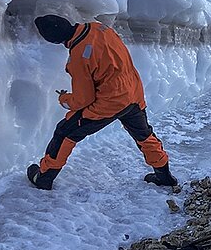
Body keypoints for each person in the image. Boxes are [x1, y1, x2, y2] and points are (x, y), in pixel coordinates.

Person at [27, 15, 178, 190]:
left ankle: (44, 178)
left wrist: (64, 99)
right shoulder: (99, 28)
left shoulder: (78, 56)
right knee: (144, 136)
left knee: (64, 132)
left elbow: (84, 99)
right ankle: (164, 176)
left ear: (53, 40)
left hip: (109, 103)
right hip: (133, 94)